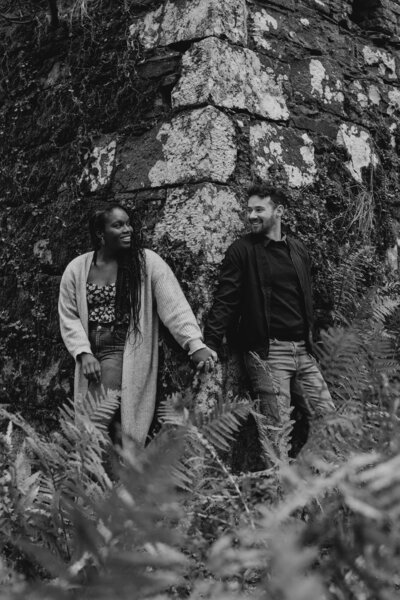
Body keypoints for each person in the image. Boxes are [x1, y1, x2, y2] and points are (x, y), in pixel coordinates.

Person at [58, 205, 217, 447]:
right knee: (98, 429)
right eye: (118, 225)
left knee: (93, 423)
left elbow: (173, 304)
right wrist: (83, 352)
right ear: (100, 234)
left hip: (119, 351)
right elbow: (68, 316)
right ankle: (101, 478)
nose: (128, 230)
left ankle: (91, 476)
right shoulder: (77, 268)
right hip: (90, 350)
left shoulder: (146, 262)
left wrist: (194, 344)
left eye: (128, 223)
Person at [204, 183, 335, 461]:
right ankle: (276, 499)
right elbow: (225, 300)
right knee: (276, 438)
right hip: (269, 354)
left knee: (330, 423)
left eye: (259, 209)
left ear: (279, 211)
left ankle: (314, 492)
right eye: (249, 209)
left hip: (303, 351)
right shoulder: (241, 251)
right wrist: (209, 343)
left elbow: (307, 300)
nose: (251, 215)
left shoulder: (298, 250)